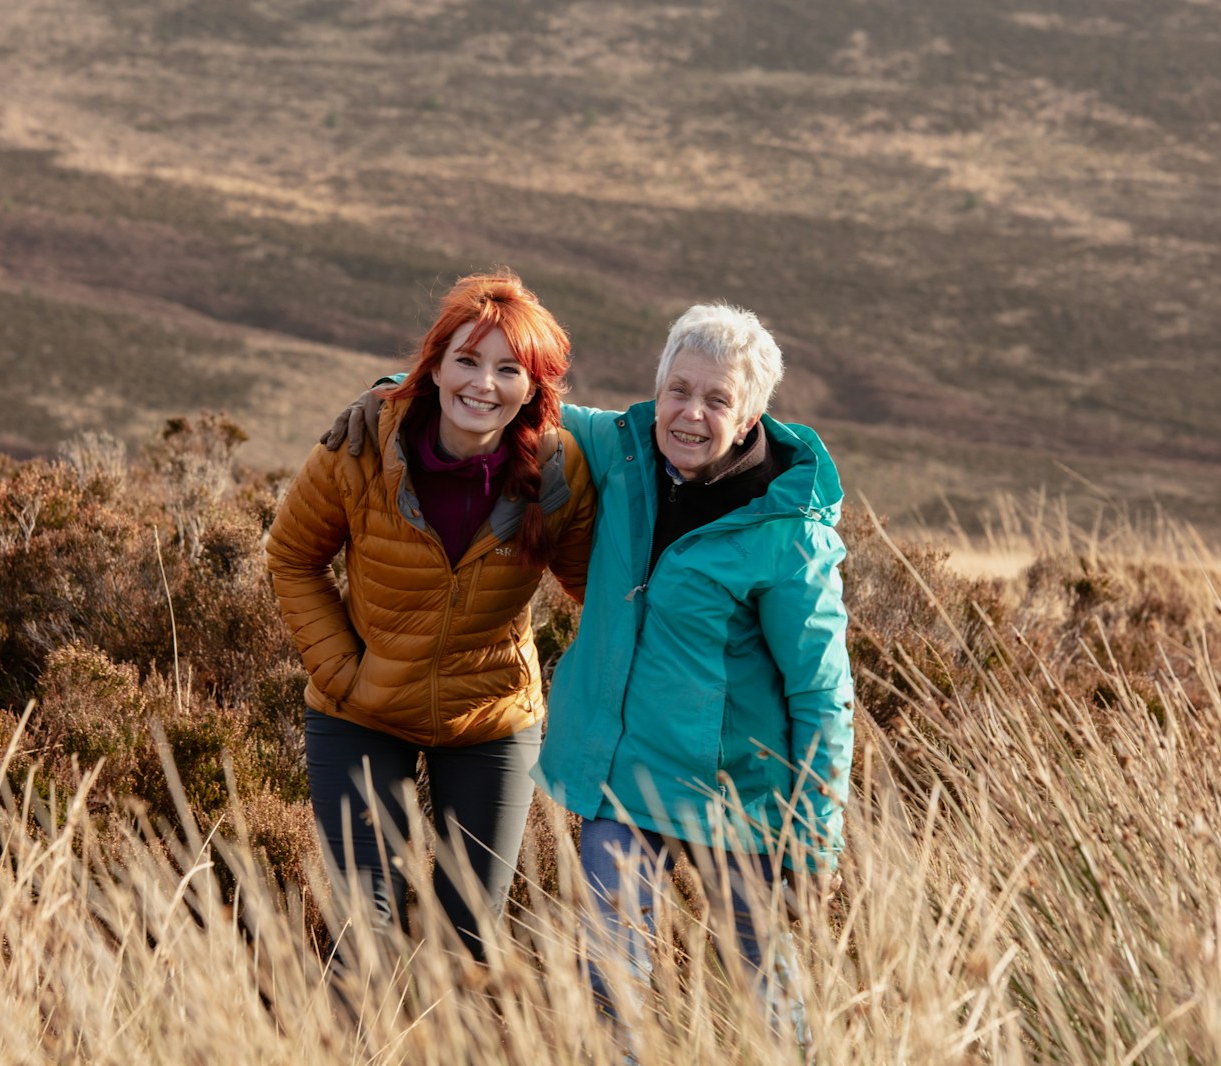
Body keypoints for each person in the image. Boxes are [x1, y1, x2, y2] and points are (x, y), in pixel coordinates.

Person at [322, 302, 852, 1046]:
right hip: (628, 788)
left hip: (743, 802)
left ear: (754, 412)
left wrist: (815, 840)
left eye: (717, 399)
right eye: (678, 389)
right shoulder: (621, 449)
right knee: (609, 981)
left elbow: (822, 695)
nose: (690, 414)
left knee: (765, 984)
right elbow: (499, 401)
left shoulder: (787, 534)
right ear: (658, 384)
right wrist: (391, 394)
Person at [264, 270, 596, 961]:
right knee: (364, 931)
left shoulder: (559, 471)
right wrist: (342, 672)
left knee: (466, 938)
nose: (483, 384)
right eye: (466, 361)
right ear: (435, 367)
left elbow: (595, 586)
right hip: (361, 711)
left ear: (534, 387)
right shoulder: (358, 447)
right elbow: (292, 557)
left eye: (509, 369)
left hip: (491, 720)